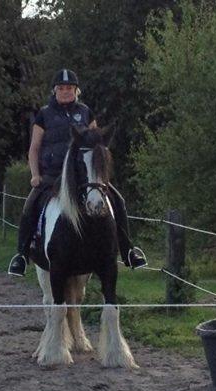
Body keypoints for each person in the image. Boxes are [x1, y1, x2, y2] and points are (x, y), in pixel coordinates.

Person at [8, 68, 147, 276]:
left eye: (70, 88)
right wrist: (35, 174)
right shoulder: (44, 115)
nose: (66, 92)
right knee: (31, 204)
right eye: (62, 88)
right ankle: (21, 255)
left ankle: (128, 251)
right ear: (55, 91)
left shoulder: (85, 112)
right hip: (54, 175)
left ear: (76, 90)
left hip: (83, 176)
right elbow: (34, 147)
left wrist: (100, 174)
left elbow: (98, 144)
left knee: (117, 201)